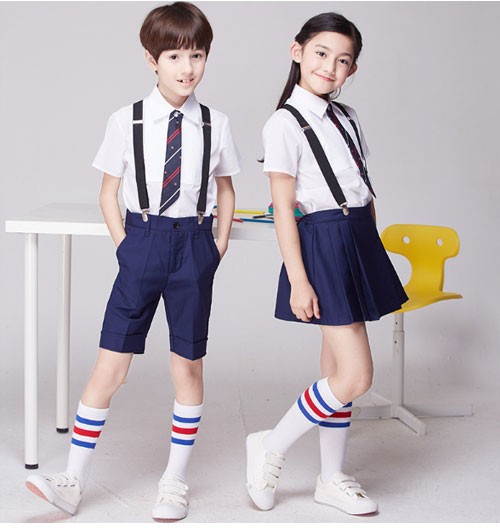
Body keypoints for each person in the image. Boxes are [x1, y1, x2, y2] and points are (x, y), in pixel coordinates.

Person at [25, 2, 240, 522]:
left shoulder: (215, 123)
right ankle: (73, 479)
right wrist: (125, 244)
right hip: (141, 242)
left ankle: (174, 481)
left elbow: (226, 189)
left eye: (197, 55)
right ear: (151, 59)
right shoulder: (127, 120)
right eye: (174, 56)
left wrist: (216, 246)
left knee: (187, 363)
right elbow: (108, 191)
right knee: (111, 364)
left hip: (193, 246)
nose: (187, 68)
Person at [246, 12, 408, 515]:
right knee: (356, 376)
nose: (330, 67)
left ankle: (331, 476)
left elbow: (362, 185)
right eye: (321, 53)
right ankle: (270, 444)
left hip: (358, 236)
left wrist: (371, 246)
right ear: (297, 51)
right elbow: (284, 210)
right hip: (322, 242)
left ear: (352, 69)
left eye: (342, 60)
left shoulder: (348, 117)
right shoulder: (283, 124)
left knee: (336, 367)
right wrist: (299, 279)